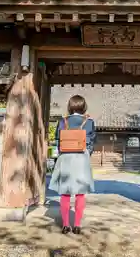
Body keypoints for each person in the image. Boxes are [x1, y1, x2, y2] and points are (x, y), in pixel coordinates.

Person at [49, 95, 96, 234]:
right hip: (81, 157)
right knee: (80, 193)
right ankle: (76, 225)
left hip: (66, 158)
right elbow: (92, 141)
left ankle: (65, 225)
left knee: (65, 193)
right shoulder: (89, 122)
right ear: (84, 106)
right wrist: (86, 154)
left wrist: (60, 157)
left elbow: (58, 142)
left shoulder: (63, 121)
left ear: (70, 106)